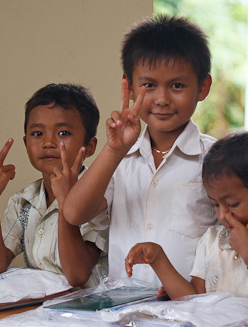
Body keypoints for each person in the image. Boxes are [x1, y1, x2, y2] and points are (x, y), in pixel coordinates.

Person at [63, 15, 217, 286]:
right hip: (123, 307)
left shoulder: (215, 159)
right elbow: (74, 213)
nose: (162, 99)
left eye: (177, 85)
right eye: (149, 85)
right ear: (130, 86)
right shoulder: (119, 158)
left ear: (203, 87)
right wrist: (114, 149)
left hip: (189, 309)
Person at [124, 132, 248, 300]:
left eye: (233, 204)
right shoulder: (212, 241)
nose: (223, 215)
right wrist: (158, 259)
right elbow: (194, 299)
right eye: (215, 205)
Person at [0, 83, 107, 288]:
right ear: (26, 143)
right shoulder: (23, 201)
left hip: (88, 313)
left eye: (63, 133)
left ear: (89, 147)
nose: (48, 143)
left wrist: (66, 202)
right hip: (38, 311)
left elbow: (77, 274)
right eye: (37, 134)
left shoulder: (99, 199)